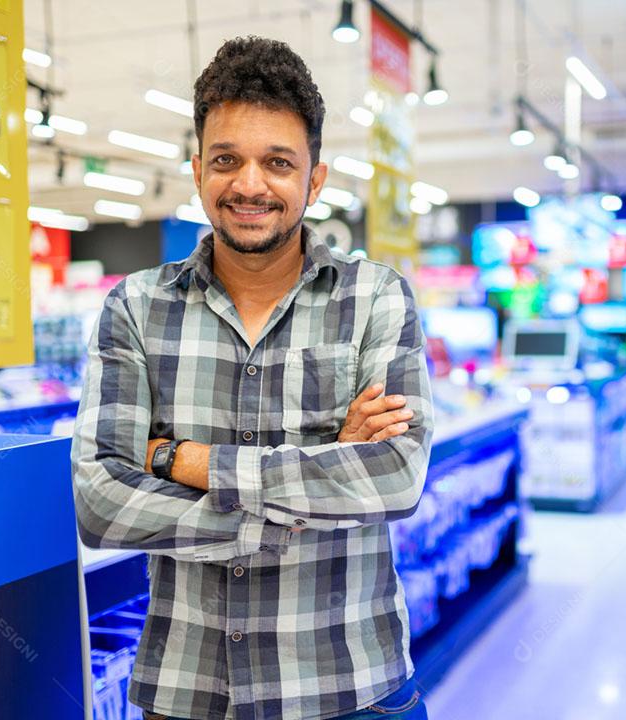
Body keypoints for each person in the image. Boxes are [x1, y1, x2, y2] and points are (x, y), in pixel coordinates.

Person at [72, 37, 432, 720]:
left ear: (315, 180)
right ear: (198, 168)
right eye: (227, 160)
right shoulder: (137, 307)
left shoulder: (376, 299)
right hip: (189, 691)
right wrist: (315, 485)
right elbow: (99, 502)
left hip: (351, 689)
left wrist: (181, 459)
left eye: (278, 163)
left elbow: (394, 477)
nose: (249, 185)